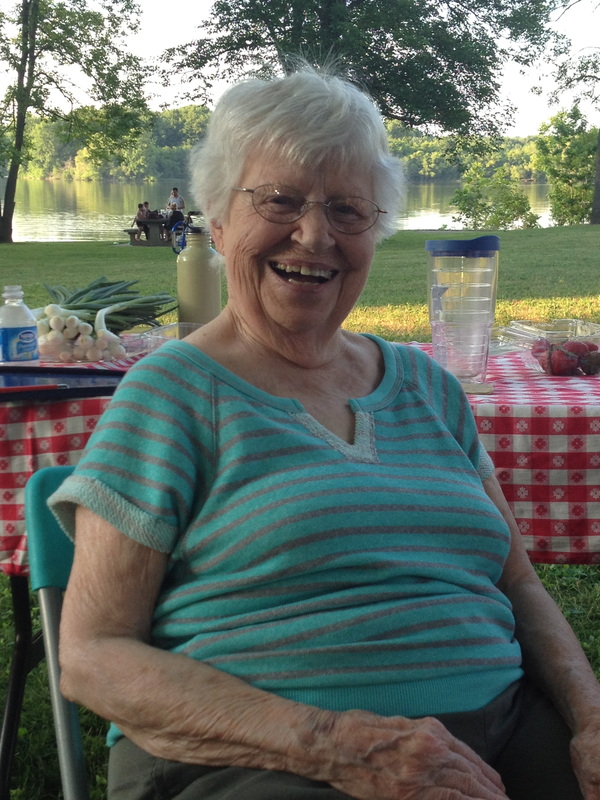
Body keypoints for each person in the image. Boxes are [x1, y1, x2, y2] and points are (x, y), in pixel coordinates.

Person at [50, 67, 600, 800]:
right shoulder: (172, 393)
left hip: (504, 728)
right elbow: (94, 656)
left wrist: (589, 717)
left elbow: (518, 582)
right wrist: (336, 746)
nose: (315, 235)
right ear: (218, 222)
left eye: (347, 209)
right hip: (261, 757)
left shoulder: (429, 386)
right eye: (279, 200)